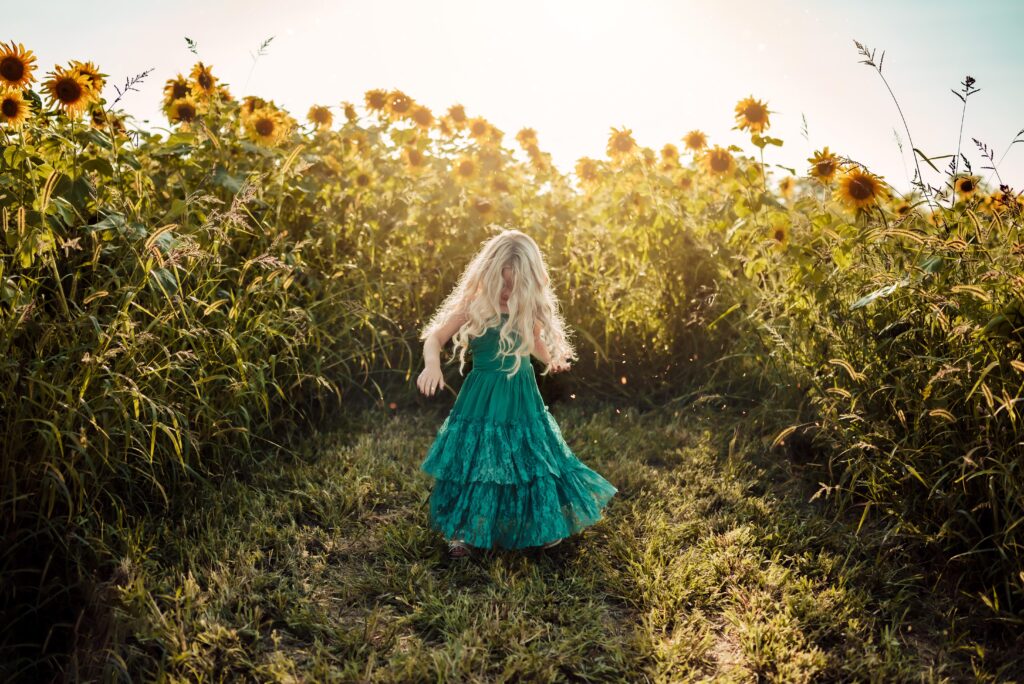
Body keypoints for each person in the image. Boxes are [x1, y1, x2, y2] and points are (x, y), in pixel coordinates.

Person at [416, 228, 618, 559]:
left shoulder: (526, 307)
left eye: (514, 284)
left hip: (521, 394)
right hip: (481, 396)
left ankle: (538, 525)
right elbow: (434, 339)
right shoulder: (474, 305)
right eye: (502, 282)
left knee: (529, 458)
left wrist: (551, 358)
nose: (507, 290)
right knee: (478, 458)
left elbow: (534, 342)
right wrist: (432, 366)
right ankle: (466, 531)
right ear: (488, 275)